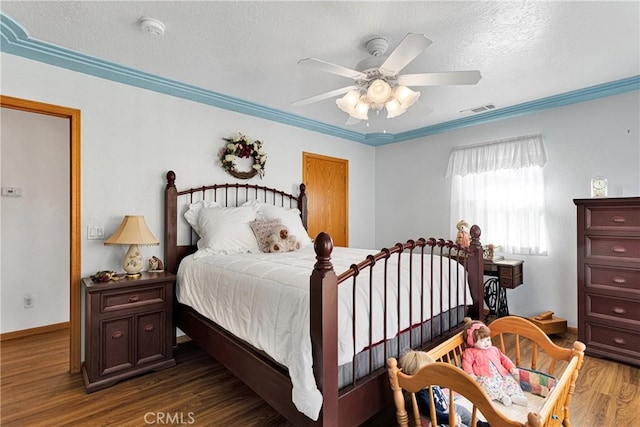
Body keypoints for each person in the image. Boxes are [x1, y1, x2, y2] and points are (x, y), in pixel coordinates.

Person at [399, 349, 490, 427]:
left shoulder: (432, 383)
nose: (434, 374)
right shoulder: (422, 395)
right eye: (430, 372)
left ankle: (478, 424)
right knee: (458, 425)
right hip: (439, 419)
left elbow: (445, 382)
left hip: (448, 407)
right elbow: (430, 412)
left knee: (462, 410)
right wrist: (448, 419)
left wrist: (456, 375)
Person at [462, 321, 527, 407]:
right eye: (482, 340)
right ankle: (502, 397)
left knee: (510, 381)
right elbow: (467, 362)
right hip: (484, 376)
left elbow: (504, 359)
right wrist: (470, 374)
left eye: (488, 340)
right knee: (485, 385)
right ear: (472, 341)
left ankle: (515, 395)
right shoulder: (470, 352)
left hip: (500, 375)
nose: (486, 343)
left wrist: (511, 368)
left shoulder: (494, 349)